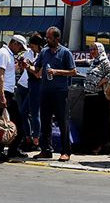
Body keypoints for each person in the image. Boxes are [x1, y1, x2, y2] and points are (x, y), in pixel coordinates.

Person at [33, 27, 76, 161]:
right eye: (46, 37)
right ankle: (45, 149)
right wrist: (26, 65)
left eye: (49, 37)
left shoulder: (65, 53)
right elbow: (37, 68)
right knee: (45, 122)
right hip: (45, 91)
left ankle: (66, 151)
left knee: (63, 122)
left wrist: (57, 72)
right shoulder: (44, 52)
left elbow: (73, 71)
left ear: (57, 38)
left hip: (60, 92)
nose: (47, 39)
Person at [0, 34, 28, 162]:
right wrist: (1, 97)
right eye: (20, 47)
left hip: (8, 92)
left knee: (12, 123)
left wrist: (21, 66)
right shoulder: (3, 53)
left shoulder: (9, 55)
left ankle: (12, 149)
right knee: (2, 124)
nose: (20, 50)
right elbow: (0, 76)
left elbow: (10, 72)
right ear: (15, 43)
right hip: (3, 92)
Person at [82, 42, 110, 154]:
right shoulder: (94, 62)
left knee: (98, 123)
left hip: (98, 97)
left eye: (94, 50)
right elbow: (85, 62)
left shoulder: (104, 61)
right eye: (90, 49)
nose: (92, 52)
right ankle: (88, 145)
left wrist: (102, 81)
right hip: (89, 95)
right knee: (89, 122)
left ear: (100, 50)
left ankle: (99, 146)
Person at [16, 33, 43, 152]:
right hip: (25, 83)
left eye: (32, 45)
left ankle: (35, 140)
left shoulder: (44, 54)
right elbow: (21, 67)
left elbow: (37, 73)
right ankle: (28, 138)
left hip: (36, 86)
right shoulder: (29, 53)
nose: (31, 48)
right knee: (23, 113)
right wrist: (21, 64)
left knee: (35, 113)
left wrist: (28, 66)